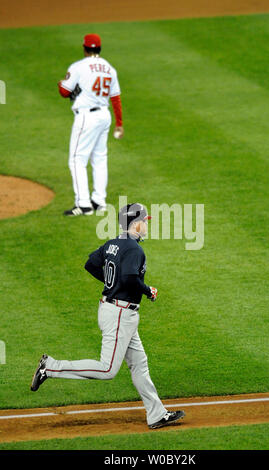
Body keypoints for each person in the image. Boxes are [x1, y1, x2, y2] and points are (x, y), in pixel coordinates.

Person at [30, 203, 185, 429]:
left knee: (139, 364)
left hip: (117, 311)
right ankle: (50, 367)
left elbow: (90, 264)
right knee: (107, 369)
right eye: (144, 221)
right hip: (120, 314)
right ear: (135, 224)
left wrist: (111, 284)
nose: (146, 226)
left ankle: (157, 414)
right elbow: (131, 278)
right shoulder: (134, 249)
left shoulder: (113, 243)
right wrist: (148, 290)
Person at [58, 33, 124, 216]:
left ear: (85, 48)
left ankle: (83, 204)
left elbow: (65, 92)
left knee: (76, 159)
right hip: (104, 115)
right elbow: (115, 98)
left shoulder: (78, 67)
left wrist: (61, 84)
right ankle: (99, 201)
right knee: (100, 158)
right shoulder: (110, 68)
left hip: (86, 117)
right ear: (99, 48)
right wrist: (119, 123)